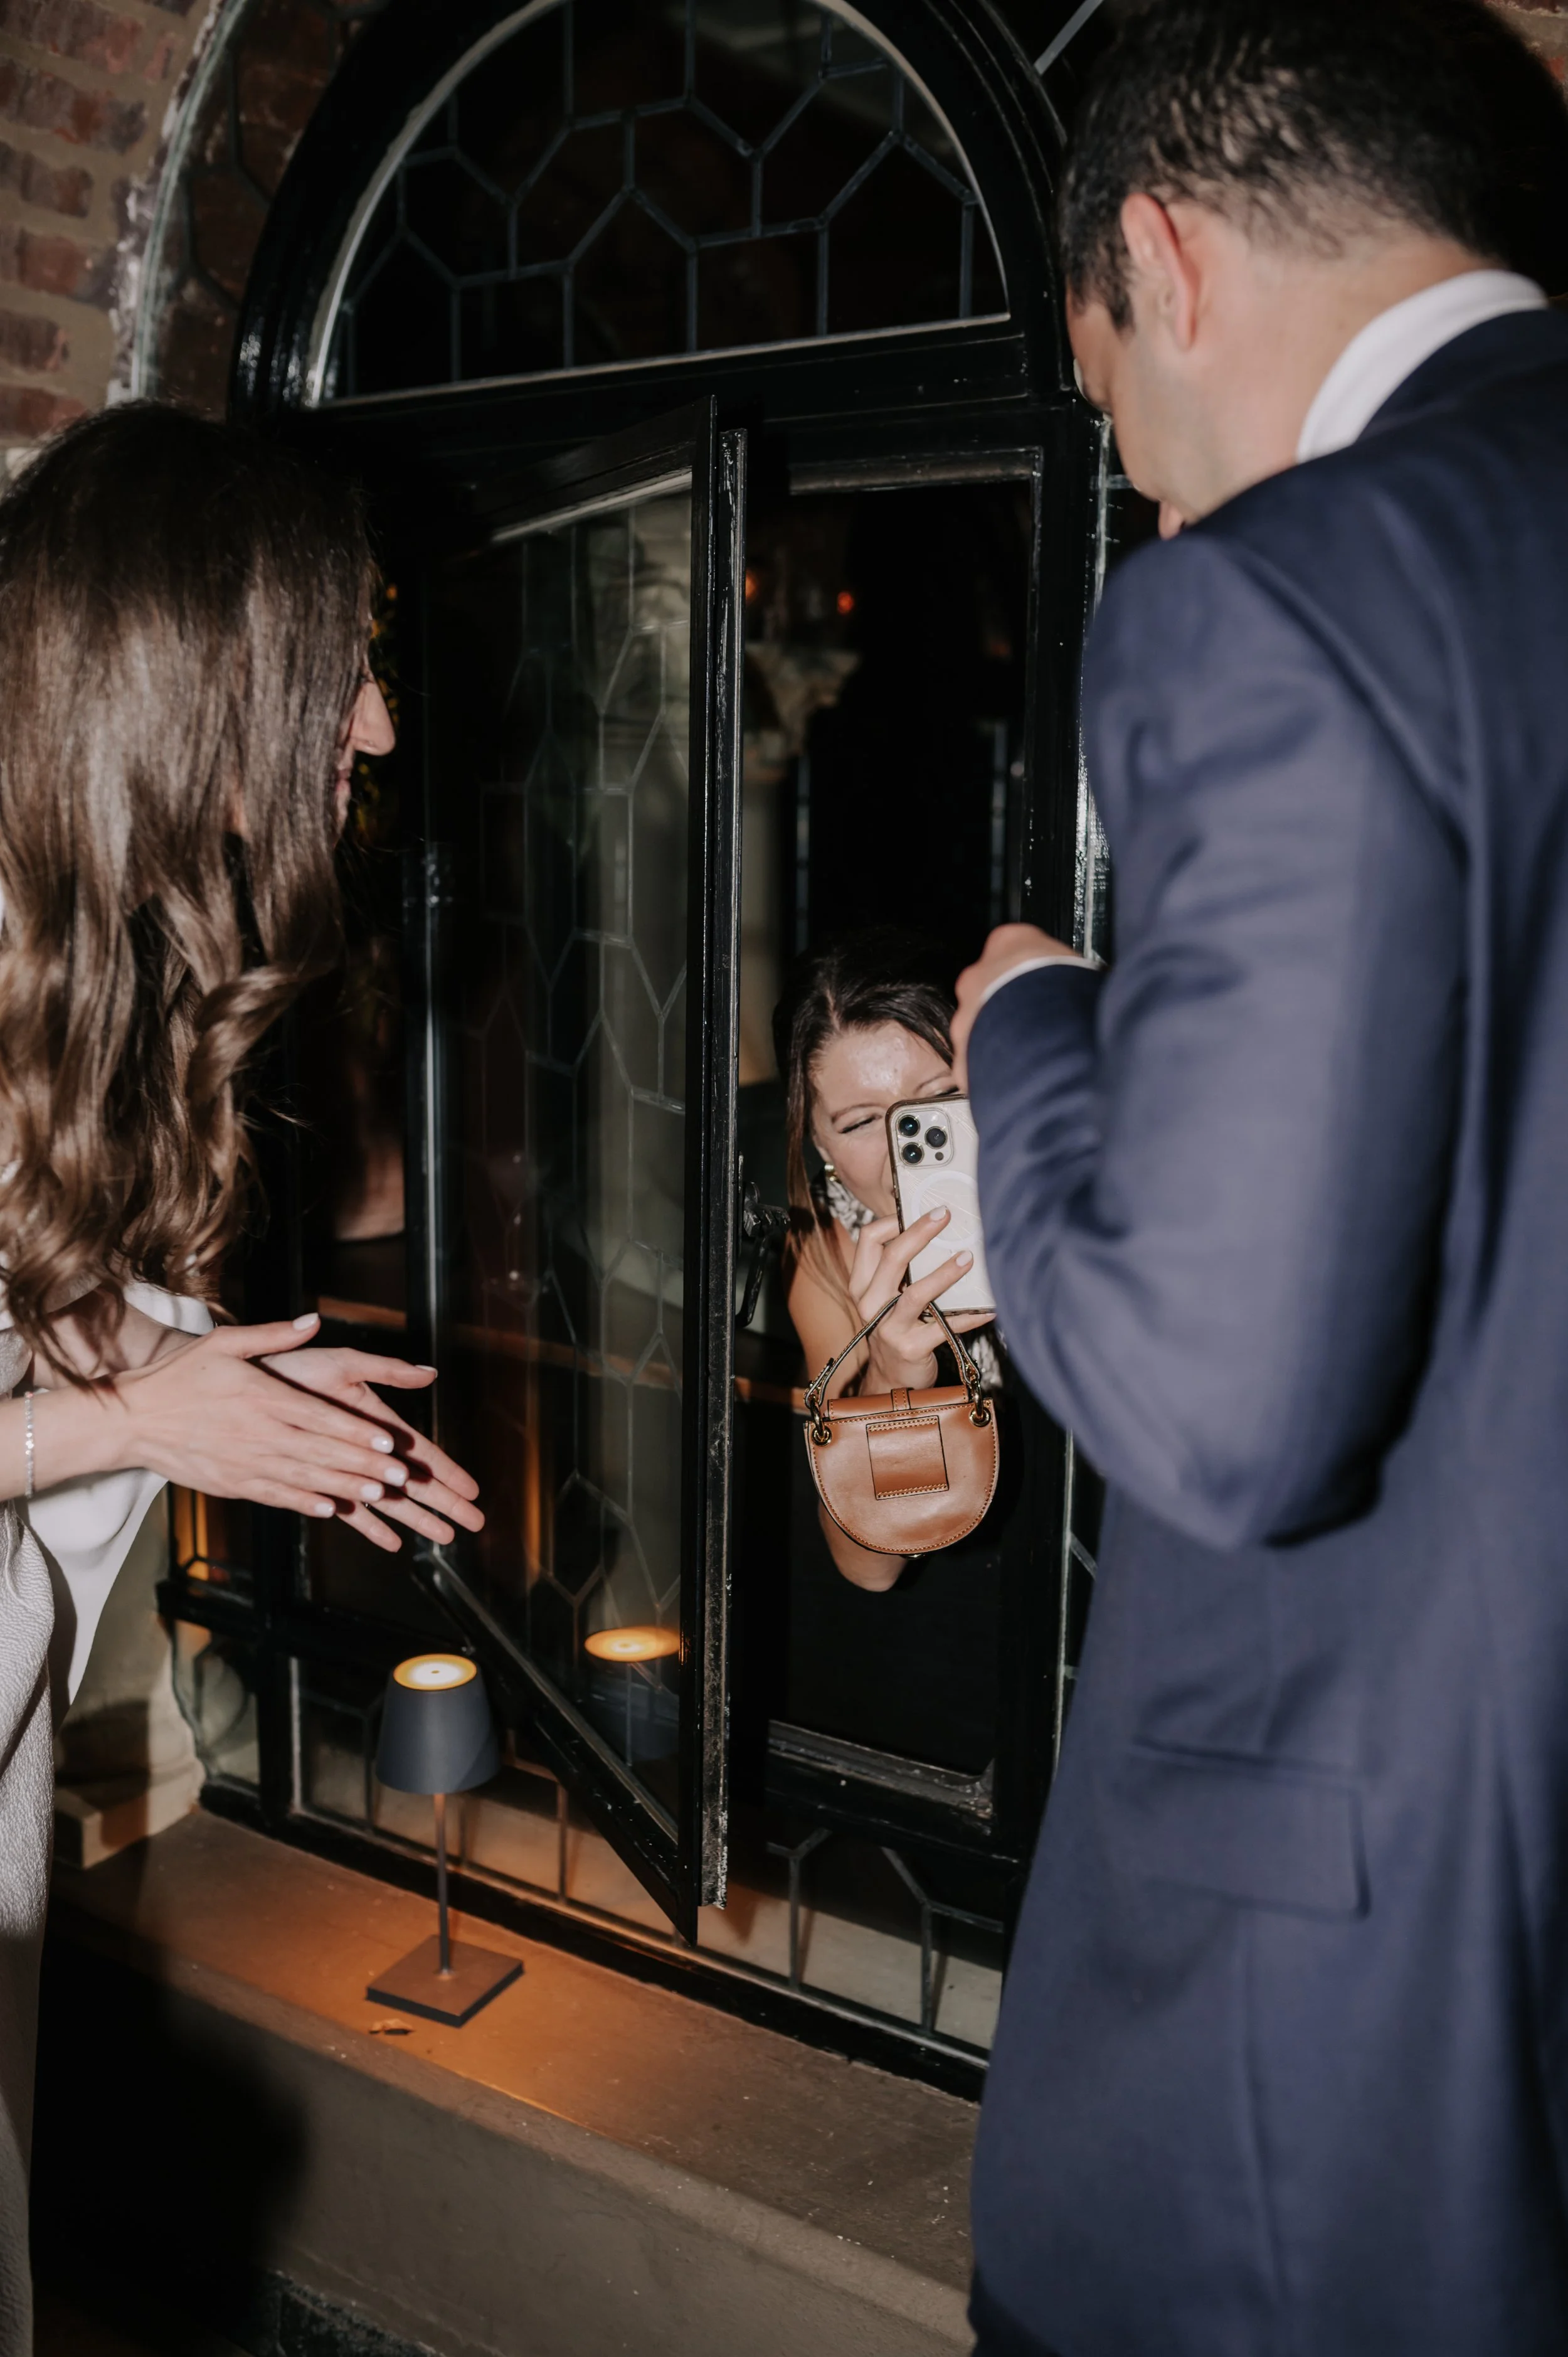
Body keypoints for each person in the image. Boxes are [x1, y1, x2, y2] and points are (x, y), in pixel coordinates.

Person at [947, 3, 1568, 2351]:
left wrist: (1036, 1034)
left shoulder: (1280, 595)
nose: (1158, 498)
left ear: (1162, 262)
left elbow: (1222, 1392)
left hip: (1308, 2084)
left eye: (1118, 424)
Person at [0, 402, 484, 2353]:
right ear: (194, 666)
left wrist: (237, 1383)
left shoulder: (87, 943)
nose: (369, 727)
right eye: (338, 662)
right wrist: (133, 1425)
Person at [775, 929, 997, 1592]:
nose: (907, 1147)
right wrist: (891, 1374)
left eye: (939, 1095)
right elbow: (867, 1566)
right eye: (860, 1122)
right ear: (818, 1144)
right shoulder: (826, 1249)